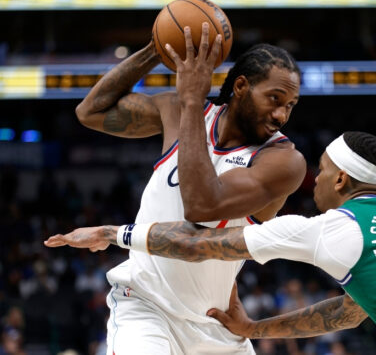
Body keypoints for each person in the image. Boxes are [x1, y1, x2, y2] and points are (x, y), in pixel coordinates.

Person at [46, 131, 376, 354]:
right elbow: (352, 311)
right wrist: (255, 329)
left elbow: (200, 245)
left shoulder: (326, 227)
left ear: (343, 181)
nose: (314, 183)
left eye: (322, 175)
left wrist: (114, 234)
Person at [71, 22, 306, 354]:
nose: (282, 114)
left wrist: (193, 98)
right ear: (241, 86)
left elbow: (201, 207)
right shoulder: (177, 110)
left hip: (217, 323)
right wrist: (156, 48)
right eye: (275, 98)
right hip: (146, 308)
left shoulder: (283, 161)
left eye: (291, 105)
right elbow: (90, 111)